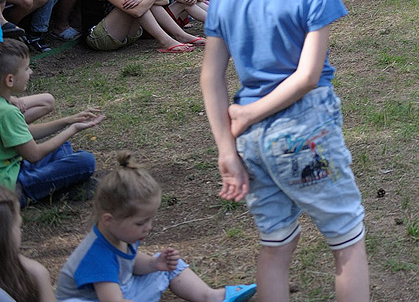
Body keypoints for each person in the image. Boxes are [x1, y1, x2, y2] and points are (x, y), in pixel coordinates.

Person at [201, 0, 369, 302]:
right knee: (347, 239)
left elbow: (211, 76)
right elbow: (308, 76)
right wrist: (251, 112)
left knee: (275, 244)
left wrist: (226, 149)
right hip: (305, 132)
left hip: (250, 143)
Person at [55, 152, 256, 302]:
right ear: (109, 219)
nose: (148, 227)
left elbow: (129, 262)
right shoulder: (96, 255)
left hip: (120, 290)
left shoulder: (120, 234)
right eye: (140, 223)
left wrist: (154, 264)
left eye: (150, 220)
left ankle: (211, 296)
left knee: (169, 264)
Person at [0, 40, 103, 205]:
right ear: (10, 80)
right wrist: (73, 129)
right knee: (86, 160)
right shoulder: (8, 112)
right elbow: (34, 155)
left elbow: (25, 134)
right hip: (12, 187)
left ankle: (58, 184)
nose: (31, 72)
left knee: (62, 147)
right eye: (26, 68)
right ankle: (54, 189)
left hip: (14, 167)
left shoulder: (4, 106)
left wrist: (67, 121)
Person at [0, 185, 57, 301]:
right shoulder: (35, 273)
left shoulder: (34, 272)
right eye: (19, 226)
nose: (21, 232)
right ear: (6, 235)